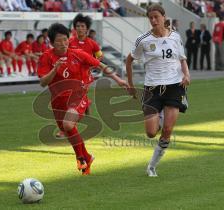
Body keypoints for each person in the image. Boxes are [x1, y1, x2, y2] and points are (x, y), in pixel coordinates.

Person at [37, 23, 128, 175]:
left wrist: (118, 80)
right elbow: (42, 82)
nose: (63, 43)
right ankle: (86, 157)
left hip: (78, 96)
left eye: (65, 40)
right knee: (68, 129)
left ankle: (80, 157)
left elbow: (101, 65)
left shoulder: (78, 54)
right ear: (52, 43)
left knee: (67, 124)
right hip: (58, 101)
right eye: (59, 41)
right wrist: (55, 70)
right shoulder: (46, 57)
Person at [126, 4, 190, 177]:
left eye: (156, 17)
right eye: (151, 18)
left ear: (164, 17)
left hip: (174, 86)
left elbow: (182, 58)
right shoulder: (143, 40)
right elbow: (129, 60)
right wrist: (130, 85)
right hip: (152, 89)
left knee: (167, 130)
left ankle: (152, 166)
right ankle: (160, 114)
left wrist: (187, 74)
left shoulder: (175, 36)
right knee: (151, 132)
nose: (154, 20)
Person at [55, 13, 103, 139]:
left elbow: (99, 56)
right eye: (77, 26)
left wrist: (92, 63)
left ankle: (66, 128)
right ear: (74, 28)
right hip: (72, 76)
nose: (80, 28)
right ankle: (85, 103)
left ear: (87, 28)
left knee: (73, 100)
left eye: (82, 26)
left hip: (85, 77)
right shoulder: (70, 42)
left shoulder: (92, 44)